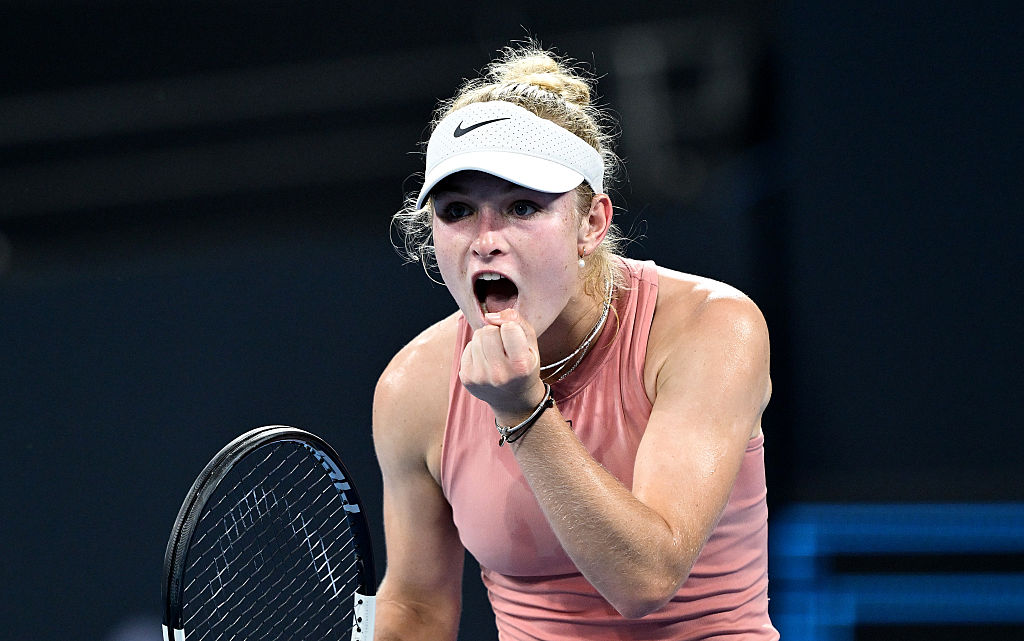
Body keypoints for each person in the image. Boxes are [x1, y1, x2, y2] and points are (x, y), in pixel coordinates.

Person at [372, 42, 778, 641]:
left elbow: (645, 579)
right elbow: (416, 608)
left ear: (592, 223)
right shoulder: (414, 387)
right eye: (458, 210)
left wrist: (524, 411)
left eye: (521, 207)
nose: (485, 239)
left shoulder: (711, 327)